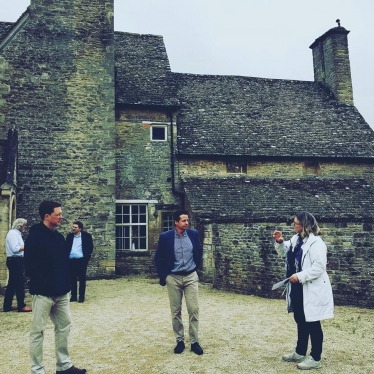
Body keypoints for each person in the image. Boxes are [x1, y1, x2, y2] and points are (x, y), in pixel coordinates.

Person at [24, 201, 86, 374]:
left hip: (62, 292)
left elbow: (64, 263)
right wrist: (45, 283)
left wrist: (65, 284)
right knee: (38, 332)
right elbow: (29, 267)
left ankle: (63, 366)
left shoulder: (59, 237)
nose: (61, 217)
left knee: (64, 326)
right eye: (58, 214)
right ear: (47, 216)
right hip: (43, 293)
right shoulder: (34, 238)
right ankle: (37, 370)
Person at [273, 211, 334, 370]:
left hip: (310, 287)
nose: (293, 225)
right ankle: (300, 352)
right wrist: (279, 241)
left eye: (296, 223)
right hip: (298, 288)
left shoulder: (317, 243)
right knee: (300, 319)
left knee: (313, 322)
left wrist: (300, 276)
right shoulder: (296, 240)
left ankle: (315, 357)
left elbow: (319, 268)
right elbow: (285, 253)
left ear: (304, 225)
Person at [154, 209, 204, 355]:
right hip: (173, 277)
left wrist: (196, 269)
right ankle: (179, 341)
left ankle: (194, 342)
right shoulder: (166, 237)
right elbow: (158, 257)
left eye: (187, 220)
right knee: (176, 311)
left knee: (193, 309)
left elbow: (198, 252)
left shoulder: (193, 234)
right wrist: (164, 276)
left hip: (190, 276)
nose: (186, 223)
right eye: (183, 220)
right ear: (176, 222)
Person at [3, 218, 32, 313]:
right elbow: (15, 249)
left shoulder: (16, 234)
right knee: (19, 283)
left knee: (12, 284)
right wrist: (28, 246)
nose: (25, 227)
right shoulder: (13, 234)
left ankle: (7, 305)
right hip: (15, 260)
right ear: (20, 225)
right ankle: (21, 305)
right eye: (24, 225)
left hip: (15, 260)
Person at [66, 221, 94, 303]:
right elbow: (66, 247)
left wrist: (86, 258)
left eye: (75, 227)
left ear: (80, 228)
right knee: (72, 279)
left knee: (82, 279)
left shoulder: (86, 236)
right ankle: (73, 296)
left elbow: (90, 247)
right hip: (71, 261)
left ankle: (81, 296)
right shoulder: (70, 236)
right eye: (73, 227)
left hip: (81, 261)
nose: (73, 228)